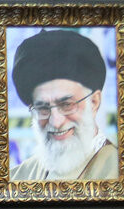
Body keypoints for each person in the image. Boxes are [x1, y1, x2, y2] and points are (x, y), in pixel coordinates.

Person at [10, 28, 119, 181]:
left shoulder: (116, 171)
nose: (56, 122)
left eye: (67, 105)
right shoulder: (17, 178)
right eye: (43, 108)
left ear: (94, 102)